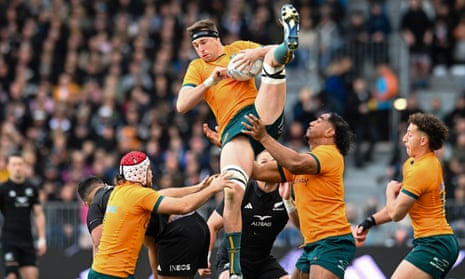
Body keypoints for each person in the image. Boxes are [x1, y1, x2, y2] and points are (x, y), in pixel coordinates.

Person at [177, 4, 300, 278]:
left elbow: (262, 53)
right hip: (234, 129)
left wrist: (257, 52)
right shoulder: (198, 68)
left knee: (270, 61)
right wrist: (210, 81)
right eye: (196, 45)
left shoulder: (239, 48)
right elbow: (182, 105)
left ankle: (287, 42)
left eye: (204, 42)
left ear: (217, 38)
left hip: (260, 115)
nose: (201, 49)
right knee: (232, 191)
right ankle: (234, 268)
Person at [241, 112, 356, 279]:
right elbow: (257, 171)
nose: (312, 122)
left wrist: (264, 137)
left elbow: (295, 163)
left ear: (330, 132)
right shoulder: (304, 163)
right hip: (313, 244)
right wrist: (231, 148)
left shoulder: (330, 154)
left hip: (332, 241)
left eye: (320, 120)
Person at [87, 151, 234, 279]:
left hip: (99, 271)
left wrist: (198, 187)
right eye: (148, 170)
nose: (151, 173)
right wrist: (213, 189)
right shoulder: (139, 195)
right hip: (114, 275)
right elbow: (184, 206)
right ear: (140, 174)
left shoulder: (120, 191)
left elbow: (164, 194)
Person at [355, 112, 460, 279]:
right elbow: (399, 206)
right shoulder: (411, 164)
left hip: (435, 243)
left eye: (410, 135)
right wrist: (370, 221)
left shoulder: (423, 169)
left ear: (423, 141)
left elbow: (396, 214)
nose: (404, 139)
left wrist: (389, 191)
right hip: (433, 242)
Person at [77, 175, 212, 279]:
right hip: (198, 225)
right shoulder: (128, 194)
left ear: (86, 204)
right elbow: (161, 195)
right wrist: (197, 188)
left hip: (177, 233)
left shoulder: (98, 204)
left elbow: (100, 245)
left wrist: (213, 188)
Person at [198, 151, 292, 279]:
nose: (269, 166)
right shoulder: (242, 190)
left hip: (263, 261)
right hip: (233, 258)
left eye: (273, 162)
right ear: (255, 168)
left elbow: (301, 225)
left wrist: (287, 201)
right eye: (264, 162)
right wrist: (205, 258)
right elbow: (212, 225)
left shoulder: (287, 192)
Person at [0, 152, 47, 279]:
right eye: (14, 164)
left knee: (32, 276)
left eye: (20, 164)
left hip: (27, 239)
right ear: (8, 167)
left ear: (24, 166)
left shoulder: (32, 187)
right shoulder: (3, 189)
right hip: (9, 239)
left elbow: (38, 214)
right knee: (11, 276)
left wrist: (42, 238)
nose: (17, 167)